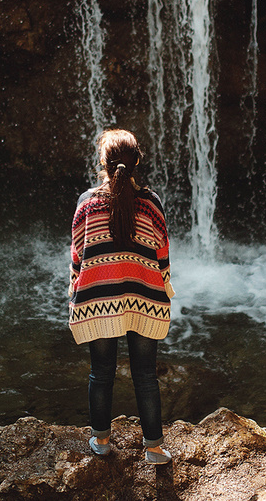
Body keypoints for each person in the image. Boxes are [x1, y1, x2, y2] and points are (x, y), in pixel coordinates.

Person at [68, 129, 174, 464]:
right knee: (145, 374)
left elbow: (77, 255)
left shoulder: (87, 204)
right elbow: (162, 254)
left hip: (99, 301)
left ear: (103, 163)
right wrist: (165, 288)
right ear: (137, 161)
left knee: (101, 372)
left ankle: (100, 442)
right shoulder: (151, 204)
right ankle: (154, 449)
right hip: (144, 298)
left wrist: (75, 292)